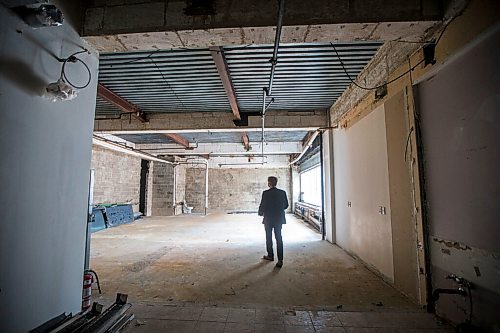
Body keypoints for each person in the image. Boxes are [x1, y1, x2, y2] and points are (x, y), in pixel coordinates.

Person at [258, 176, 289, 268]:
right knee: (279, 238)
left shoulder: (266, 193)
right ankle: (280, 260)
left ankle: (270, 256)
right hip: (278, 218)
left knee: (269, 237)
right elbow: (286, 205)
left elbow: (262, 205)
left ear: (269, 183)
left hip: (268, 218)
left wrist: (260, 213)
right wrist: (278, 209)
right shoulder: (282, 193)